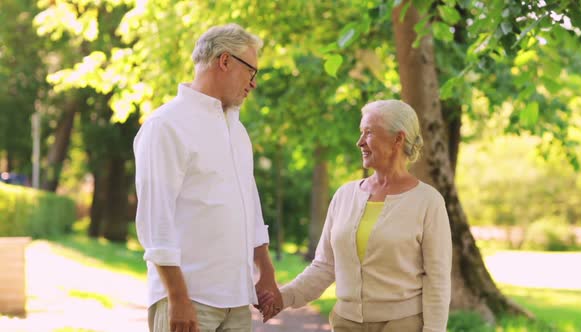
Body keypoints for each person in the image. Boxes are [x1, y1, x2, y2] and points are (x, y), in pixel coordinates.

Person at [133, 23, 281, 332]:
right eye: (251, 72)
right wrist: (178, 298)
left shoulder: (237, 131)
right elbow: (155, 222)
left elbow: (249, 204)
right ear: (225, 61)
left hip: (237, 303)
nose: (253, 84)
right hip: (189, 300)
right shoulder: (166, 125)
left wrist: (265, 271)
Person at [264, 100, 452, 331]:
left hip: (402, 325)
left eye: (369, 133)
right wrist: (282, 298)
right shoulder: (345, 196)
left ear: (398, 139)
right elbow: (324, 266)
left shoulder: (428, 201)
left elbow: (437, 280)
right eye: (360, 133)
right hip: (345, 323)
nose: (360, 142)